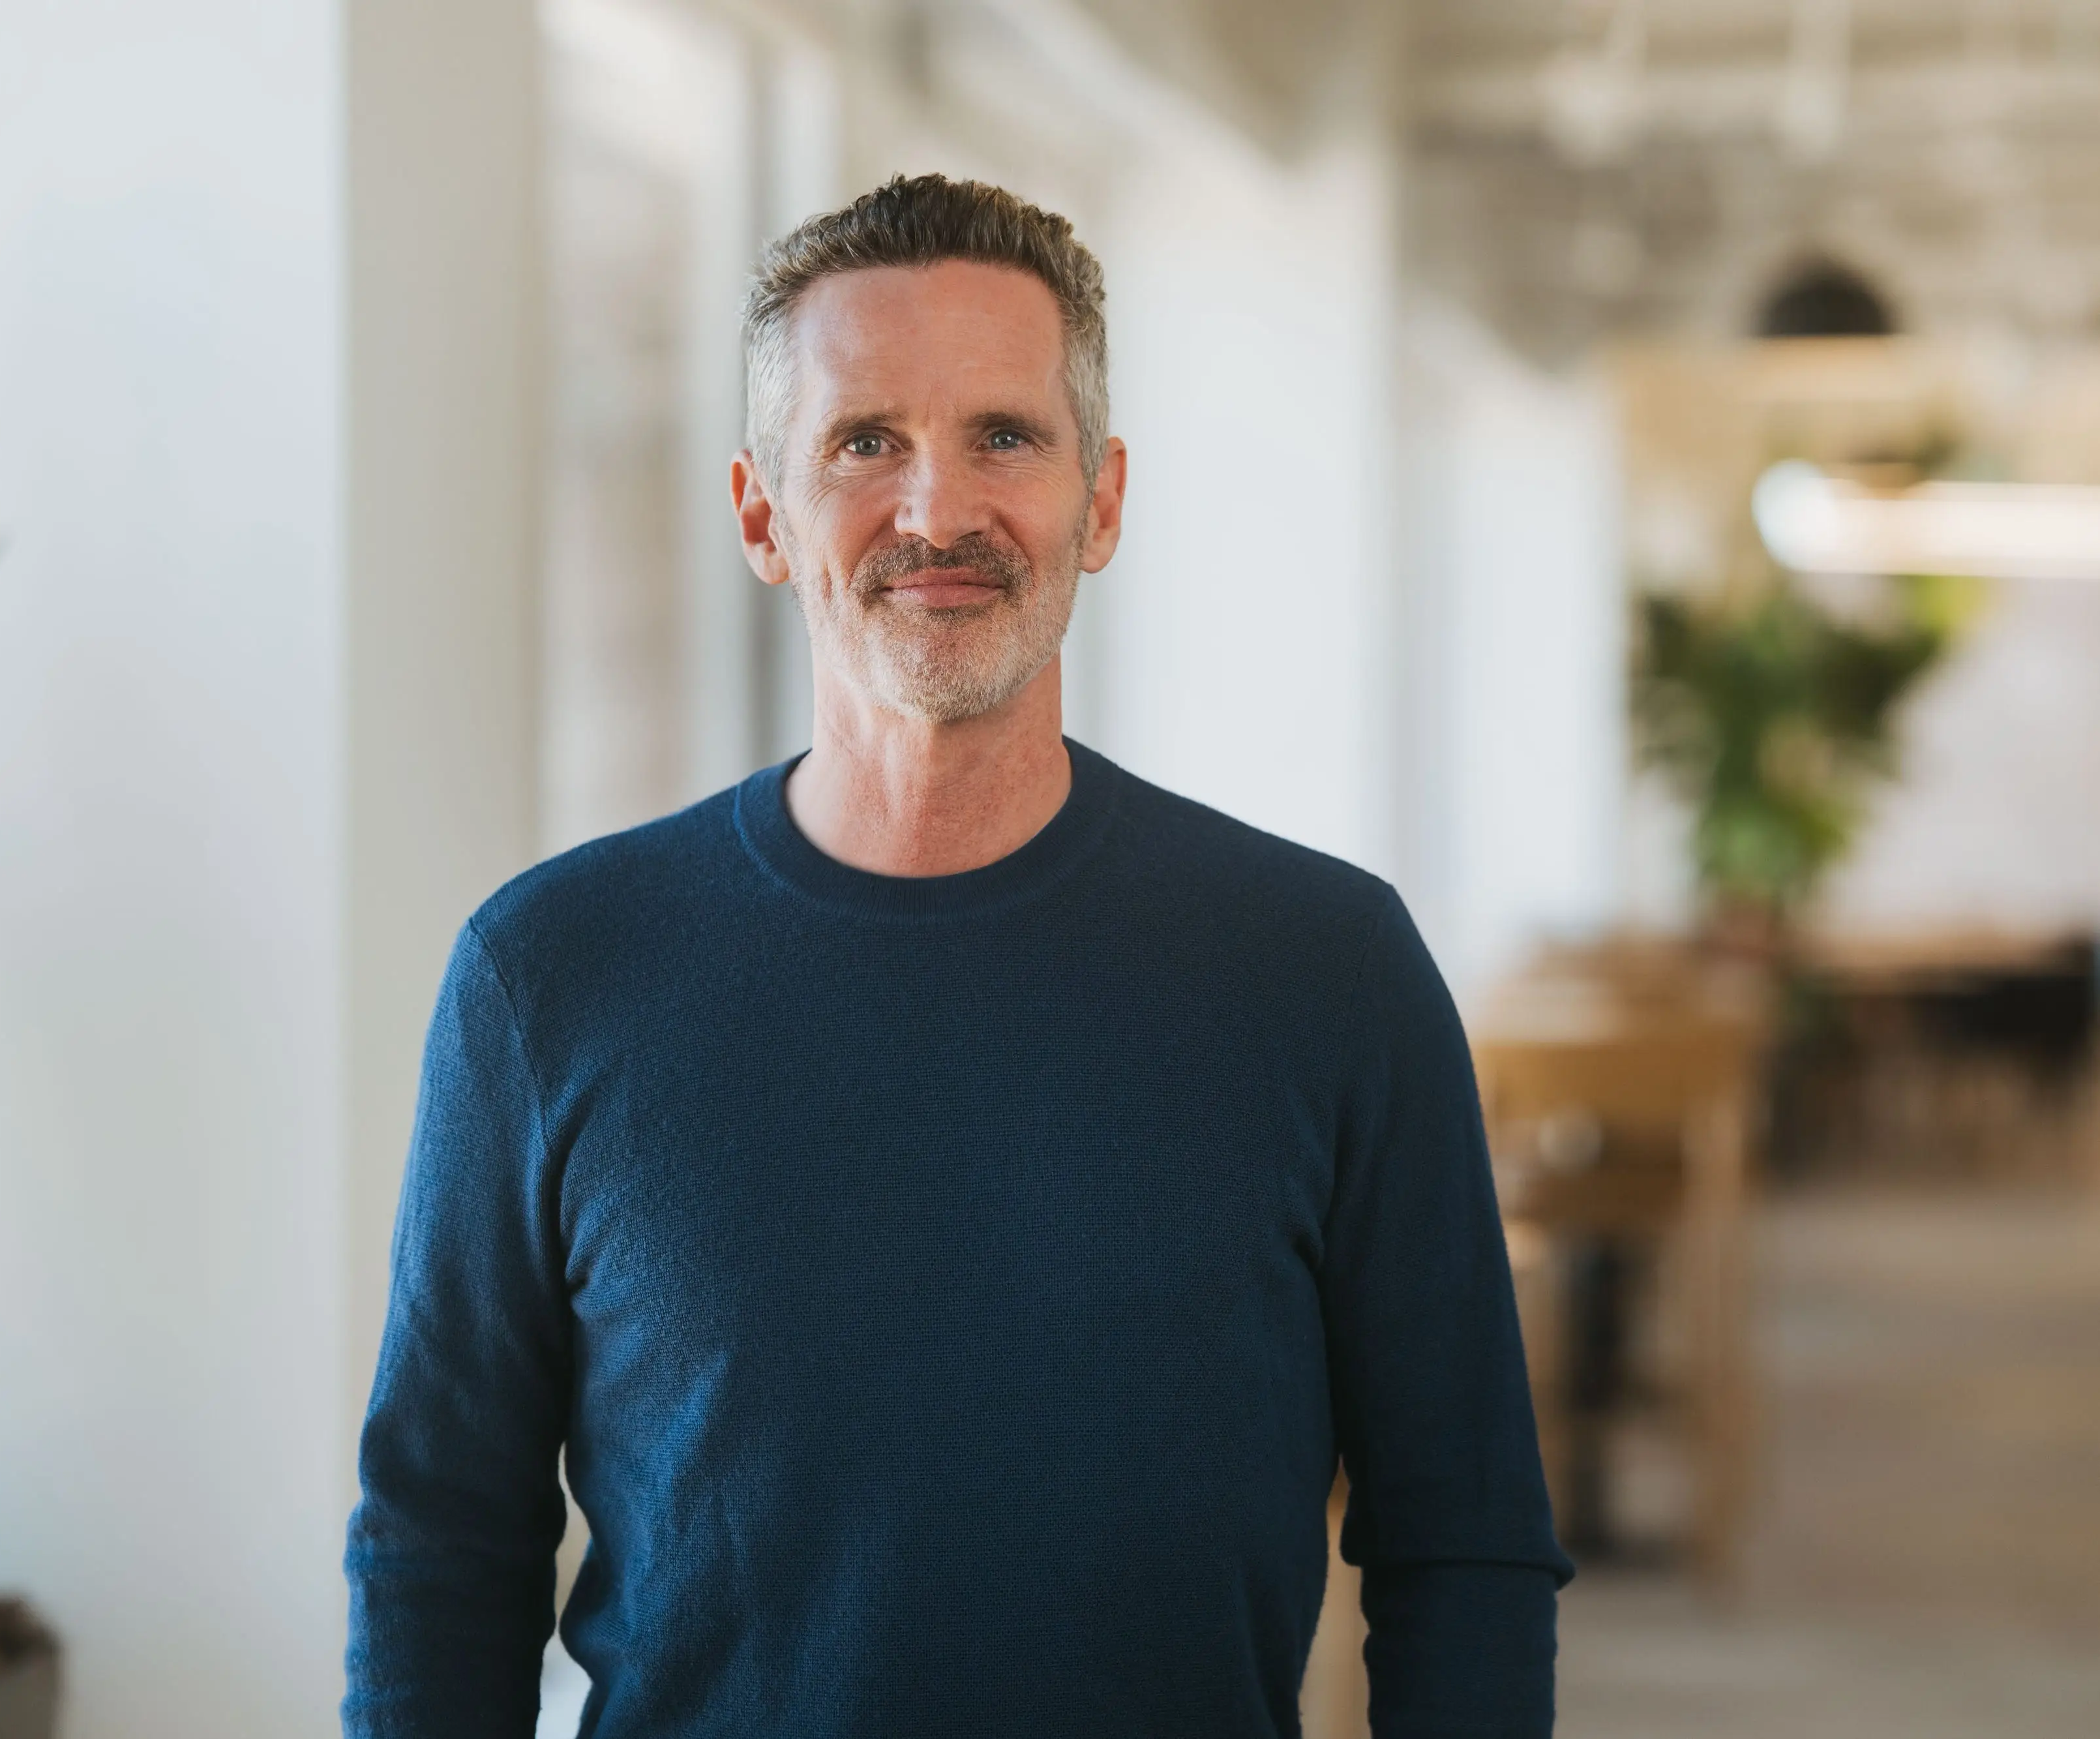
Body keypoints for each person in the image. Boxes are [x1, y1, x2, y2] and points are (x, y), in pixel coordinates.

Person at [344, 174, 1571, 1739]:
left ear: (1102, 501)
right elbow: (441, 1542)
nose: (937, 511)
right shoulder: (548, 976)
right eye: (865, 442)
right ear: (760, 514)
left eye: (1004, 435)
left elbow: (1461, 1540)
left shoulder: (1328, 970)